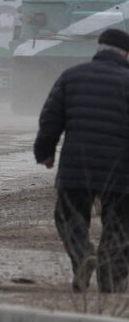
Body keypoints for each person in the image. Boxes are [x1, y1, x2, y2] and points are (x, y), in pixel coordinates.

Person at [34, 28, 129, 293]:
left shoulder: (71, 76)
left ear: (98, 50)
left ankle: (83, 255)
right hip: (120, 171)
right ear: (126, 55)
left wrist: (45, 153)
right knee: (120, 224)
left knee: (69, 216)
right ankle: (111, 280)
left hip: (77, 166)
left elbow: (50, 119)